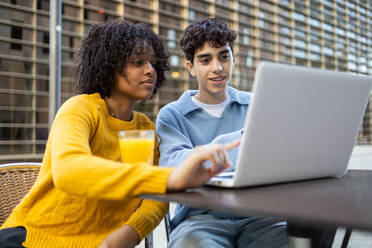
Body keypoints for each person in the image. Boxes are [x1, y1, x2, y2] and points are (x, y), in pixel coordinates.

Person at [0, 20, 239, 248]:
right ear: (109, 65)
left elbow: (154, 200)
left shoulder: (145, 127)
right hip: (31, 239)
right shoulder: (81, 109)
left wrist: (131, 232)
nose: (150, 71)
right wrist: (170, 179)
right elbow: (69, 169)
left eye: (153, 63)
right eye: (137, 62)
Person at [156, 17, 289, 248]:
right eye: (205, 60)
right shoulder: (172, 115)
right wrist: (230, 146)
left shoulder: (257, 105)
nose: (217, 68)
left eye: (224, 57)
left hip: (259, 215)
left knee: (303, 238)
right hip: (201, 220)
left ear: (233, 60)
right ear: (191, 67)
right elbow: (172, 167)